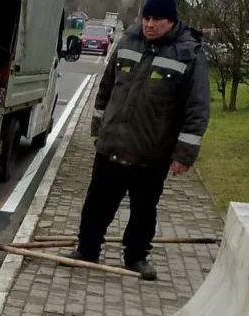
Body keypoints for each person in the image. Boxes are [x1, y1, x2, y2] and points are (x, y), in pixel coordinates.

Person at [66, 0, 210, 280]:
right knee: (97, 203)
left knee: (144, 210)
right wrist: (98, 125)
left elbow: (197, 108)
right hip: (112, 144)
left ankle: (136, 257)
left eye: (158, 19)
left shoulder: (188, 54)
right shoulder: (127, 42)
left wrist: (184, 155)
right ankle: (87, 249)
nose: (150, 24)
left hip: (152, 152)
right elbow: (106, 86)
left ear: (171, 22)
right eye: (147, 18)